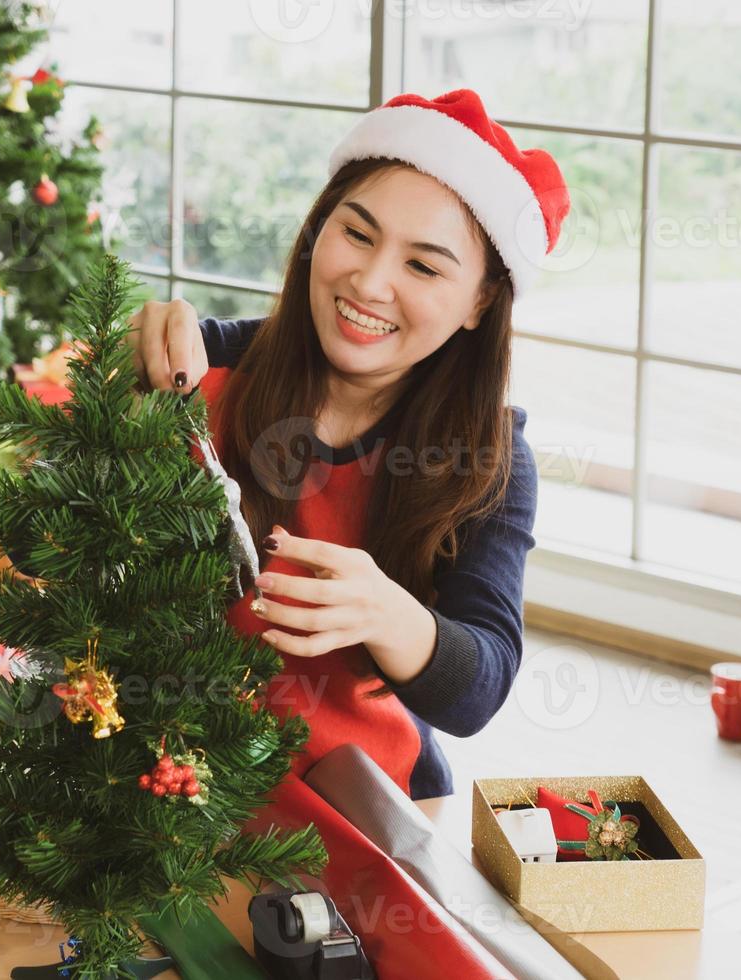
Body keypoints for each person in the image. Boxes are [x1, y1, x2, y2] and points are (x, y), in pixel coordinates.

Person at [127, 89, 570, 801]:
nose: (368, 282)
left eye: (424, 267)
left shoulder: (490, 459)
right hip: (161, 791)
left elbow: (477, 691)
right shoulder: (200, 374)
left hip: (368, 798)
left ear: (480, 303)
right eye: (357, 234)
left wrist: (388, 614)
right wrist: (119, 358)